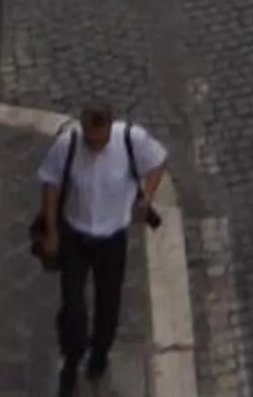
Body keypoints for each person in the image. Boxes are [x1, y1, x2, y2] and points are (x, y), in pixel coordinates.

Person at [36, 105, 169, 392]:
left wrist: (146, 197)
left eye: (100, 139)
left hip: (112, 240)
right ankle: (71, 360)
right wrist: (52, 231)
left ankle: (98, 357)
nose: (95, 145)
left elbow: (157, 162)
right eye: (90, 139)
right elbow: (50, 185)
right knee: (73, 307)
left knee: (108, 304)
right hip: (75, 237)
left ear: (110, 126)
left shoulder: (131, 140)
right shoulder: (68, 145)